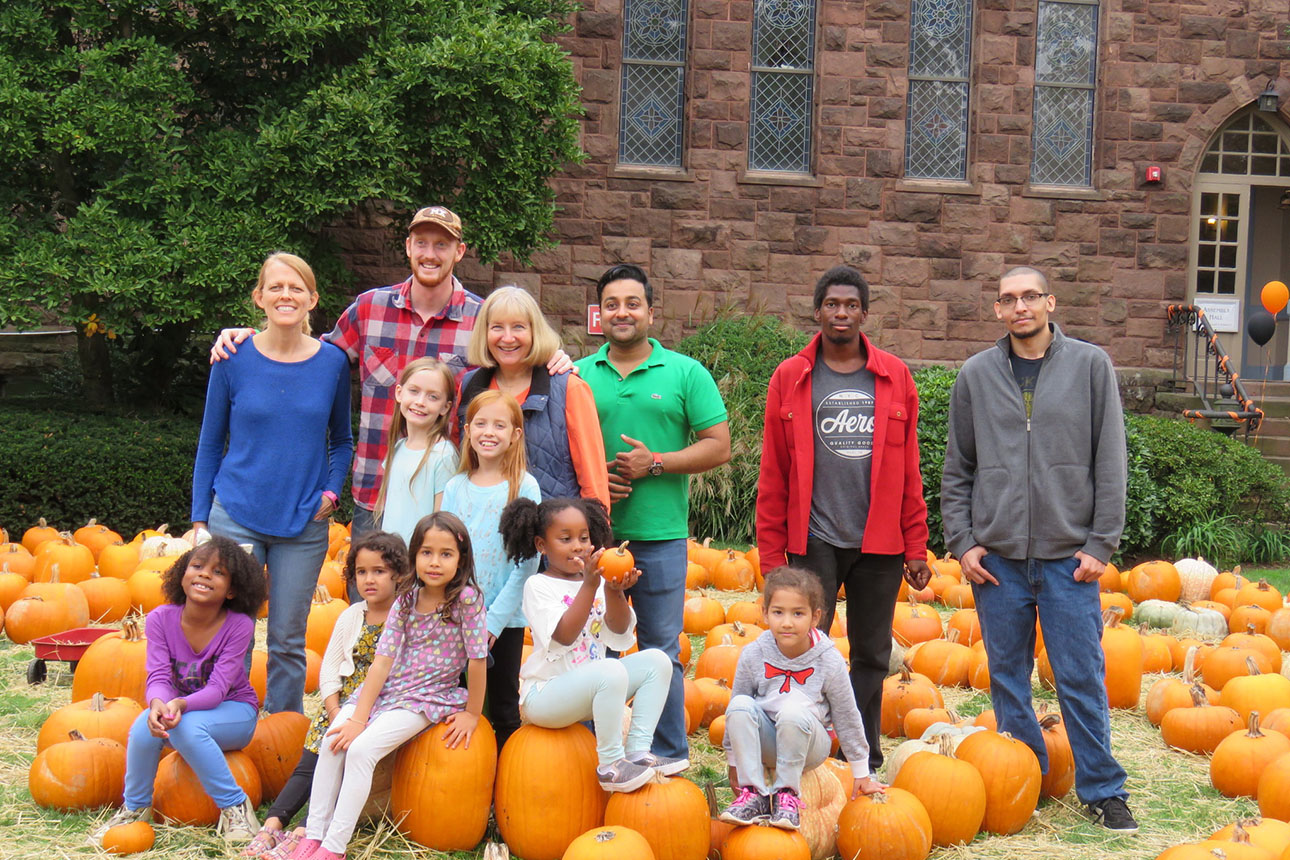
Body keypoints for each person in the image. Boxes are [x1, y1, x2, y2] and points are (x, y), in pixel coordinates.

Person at [211, 207, 572, 539]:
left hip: (447, 497)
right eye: (422, 243)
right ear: (408, 247)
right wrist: (252, 338)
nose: (430, 254)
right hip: (375, 492)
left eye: (441, 245)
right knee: (369, 604)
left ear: (459, 252)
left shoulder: (483, 321)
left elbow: (516, 363)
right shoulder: (369, 309)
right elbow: (308, 356)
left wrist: (552, 356)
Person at [940, 266, 1137, 833]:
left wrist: (1101, 542)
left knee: (1081, 676)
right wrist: (963, 542)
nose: (1020, 306)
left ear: (1049, 302)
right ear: (997, 310)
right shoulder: (975, 375)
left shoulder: (1090, 366)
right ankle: (1025, 779)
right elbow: (959, 468)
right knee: (1007, 676)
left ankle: (1102, 789)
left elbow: (1110, 460)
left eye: (1030, 296)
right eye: (1008, 299)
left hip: (1068, 560)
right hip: (997, 560)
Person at [755, 264, 932, 774]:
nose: (841, 313)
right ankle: (813, 753)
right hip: (814, 539)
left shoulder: (894, 375)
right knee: (809, 649)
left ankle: (865, 753)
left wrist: (916, 546)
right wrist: (772, 556)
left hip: (880, 541)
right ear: (818, 312)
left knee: (872, 655)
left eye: (851, 305)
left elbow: (909, 469)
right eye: (832, 304)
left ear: (864, 314)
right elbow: (775, 472)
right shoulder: (791, 377)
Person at [575, 264, 731, 761]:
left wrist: (656, 463)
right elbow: (560, 449)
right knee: (592, 651)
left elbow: (719, 446)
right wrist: (597, 483)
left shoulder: (686, 372)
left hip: (660, 536)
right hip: (590, 540)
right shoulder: (576, 375)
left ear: (650, 311)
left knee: (661, 650)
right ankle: (587, 754)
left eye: (633, 303)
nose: (623, 312)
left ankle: (667, 754)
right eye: (613, 304)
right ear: (599, 314)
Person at [192, 252, 352, 715]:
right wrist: (201, 519)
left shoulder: (332, 363)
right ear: (259, 298)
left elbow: (342, 439)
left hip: (303, 522)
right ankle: (228, 722)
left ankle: (282, 733)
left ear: (312, 300)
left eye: (297, 287)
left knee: (287, 638)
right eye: (276, 287)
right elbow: (209, 443)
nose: (287, 295)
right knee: (232, 630)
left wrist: (331, 492)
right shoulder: (232, 357)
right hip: (236, 516)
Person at [290, 512, 488, 860]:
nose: (435, 562)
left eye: (446, 554)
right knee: (335, 739)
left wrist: (472, 713)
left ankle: (334, 847)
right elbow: (381, 663)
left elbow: (476, 659)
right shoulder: (406, 599)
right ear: (414, 556)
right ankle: (314, 834)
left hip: (427, 696)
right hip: (388, 688)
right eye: (427, 552)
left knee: (362, 750)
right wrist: (356, 718)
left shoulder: (467, 600)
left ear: (461, 559)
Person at [240, 531, 412, 860]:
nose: (369, 580)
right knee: (312, 761)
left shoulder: (404, 619)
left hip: (379, 706)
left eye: (379, 571)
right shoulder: (351, 615)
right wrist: (333, 709)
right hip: (343, 703)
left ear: (399, 574)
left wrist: (354, 716)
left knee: (340, 761)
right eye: (361, 572)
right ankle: (274, 822)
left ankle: (306, 830)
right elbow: (330, 669)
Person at [88, 538, 267, 845]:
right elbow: (157, 675)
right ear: (182, 574)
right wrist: (157, 702)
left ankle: (236, 807)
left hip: (234, 710)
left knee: (186, 728)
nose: (204, 575)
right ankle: (135, 808)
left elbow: (217, 689)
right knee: (143, 728)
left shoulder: (238, 626)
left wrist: (179, 704)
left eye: (218, 572)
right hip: (179, 708)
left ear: (233, 590)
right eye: (197, 566)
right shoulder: (160, 619)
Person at [499, 496, 682, 792]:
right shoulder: (539, 586)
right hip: (545, 697)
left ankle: (637, 751)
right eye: (566, 538)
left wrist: (612, 591)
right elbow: (564, 636)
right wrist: (589, 585)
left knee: (657, 662)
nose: (579, 546)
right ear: (541, 546)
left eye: (584, 538)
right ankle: (610, 764)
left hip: (594, 690)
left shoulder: (595, 583)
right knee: (609, 669)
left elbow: (620, 630)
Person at [720, 567, 882, 830]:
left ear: (815, 617)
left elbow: (847, 716)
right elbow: (736, 709)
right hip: (769, 739)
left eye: (798, 613)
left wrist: (861, 771)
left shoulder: (828, 659)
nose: (787, 622)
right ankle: (755, 795)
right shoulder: (753, 654)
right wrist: (734, 762)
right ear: (764, 614)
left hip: (810, 743)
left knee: (793, 709)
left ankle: (787, 795)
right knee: (739, 705)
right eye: (778, 612)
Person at [441, 390, 541, 747]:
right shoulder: (456, 487)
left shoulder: (523, 487)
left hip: (504, 621)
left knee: (503, 707)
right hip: (457, 614)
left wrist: (494, 621)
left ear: (515, 434)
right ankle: (465, 776)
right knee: (458, 699)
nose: (489, 432)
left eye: (500, 425)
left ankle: (505, 785)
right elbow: (445, 551)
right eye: (480, 423)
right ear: (467, 430)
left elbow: (528, 564)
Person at [458, 285, 609, 510]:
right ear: (485, 332)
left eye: (518, 327)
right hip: (482, 531)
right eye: (497, 327)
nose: (507, 338)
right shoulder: (470, 387)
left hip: (553, 535)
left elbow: (593, 478)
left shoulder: (568, 387)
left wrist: (596, 533)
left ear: (534, 332)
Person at [372, 358, 459, 544]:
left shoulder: (443, 455)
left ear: (445, 407)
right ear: (399, 393)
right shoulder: (398, 448)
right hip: (391, 556)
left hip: (420, 560)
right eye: (414, 391)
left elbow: (441, 524)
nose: (420, 402)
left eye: (433, 397)